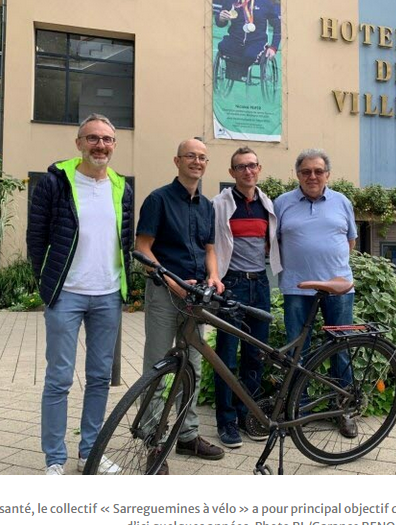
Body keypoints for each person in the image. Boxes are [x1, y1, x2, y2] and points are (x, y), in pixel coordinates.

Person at [26, 113, 133, 475]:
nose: (100, 145)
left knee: (100, 378)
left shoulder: (121, 186)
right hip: (66, 294)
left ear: (114, 145)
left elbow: (126, 239)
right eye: (92, 138)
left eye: (107, 139)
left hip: (107, 295)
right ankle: (54, 459)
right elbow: (36, 238)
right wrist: (46, 283)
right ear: (78, 143)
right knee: (59, 378)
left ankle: (91, 451)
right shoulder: (56, 181)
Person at [135, 138, 227, 474]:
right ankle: (152, 440)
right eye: (191, 156)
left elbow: (210, 249)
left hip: (196, 296)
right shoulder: (158, 199)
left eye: (202, 157)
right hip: (164, 292)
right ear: (177, 161)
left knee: (192, 368)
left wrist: (214, 277)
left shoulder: (207, 206)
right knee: (158, 369)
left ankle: (187, 436)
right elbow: (144, 249)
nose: (197, 162)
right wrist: (175, 284)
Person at [273, 148, 358, 438]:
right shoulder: (282, 203)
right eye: (306, 171)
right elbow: (273, 243)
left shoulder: (342, 202)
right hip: (297, 289)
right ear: (297, 174)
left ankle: (344, 410)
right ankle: (302, 408)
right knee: (298, 350)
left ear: (328, 174)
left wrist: (331, 270)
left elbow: (350, 242)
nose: (312, 176)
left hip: (339, 289)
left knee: (341, 350)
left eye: (318, 171)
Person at [211, 147, 281, 448]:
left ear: (259, 168)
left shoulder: (267, 204)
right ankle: (225, 422)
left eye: (252, 165)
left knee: (255, 354)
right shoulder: (220, 204)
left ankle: (246, 414)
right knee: (226, 355)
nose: (247, 171)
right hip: (233, 285)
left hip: (260, 285)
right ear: (232, 173)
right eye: (240, 167)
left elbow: (271, 242)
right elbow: (211, 244)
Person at [214, 0, 281, 81]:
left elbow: (278, 25)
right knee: (223, 46)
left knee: (249, 54)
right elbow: (220, 24)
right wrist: (221, 18)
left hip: (256, 42)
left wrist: (274, 47)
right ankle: (233, 74)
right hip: (235, 40)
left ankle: (241, 74)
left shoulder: (265, 2)